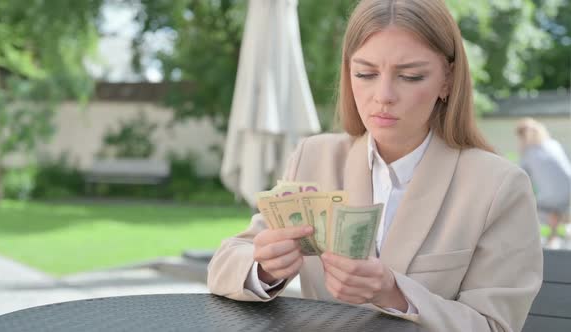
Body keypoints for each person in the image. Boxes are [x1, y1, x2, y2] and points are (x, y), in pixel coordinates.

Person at [207, 1, 543, 331]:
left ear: (447, 80)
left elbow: (494, 325)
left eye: (410, 76)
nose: (383, 95)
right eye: (365, 73)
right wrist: (263, 268)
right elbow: (226, 263)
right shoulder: (315, 156)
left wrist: (394, 294)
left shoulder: (498, 186)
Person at [516, 117, 571, 248]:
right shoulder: (553, 144)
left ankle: (526, 242)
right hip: (568, 191)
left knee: (525, 206)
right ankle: (555, 237)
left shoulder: (529, 152)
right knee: (552, 206)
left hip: (551, 198)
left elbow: (521, 177)